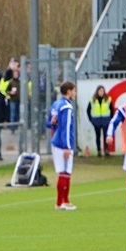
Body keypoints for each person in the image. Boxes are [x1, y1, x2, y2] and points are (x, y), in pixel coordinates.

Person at [48, 81, 77, 211]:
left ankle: (64, 200)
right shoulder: (66, 107)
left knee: (64, 172)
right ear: (69, 91)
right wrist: (67, 146)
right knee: (64, 172)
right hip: (62, 143)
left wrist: (53, 123)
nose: (75, 94)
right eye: (74, 91)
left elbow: (49, 123)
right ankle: (61, 202)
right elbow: (66, 127)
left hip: (56, 140)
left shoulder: (56, 104)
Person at [87, 85, 112, 157]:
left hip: (105, 120)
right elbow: (88, 110)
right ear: (97, 91)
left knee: (106, 136)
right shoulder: (93, 100)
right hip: (96, 120)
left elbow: (111, 109)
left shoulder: (108, 99)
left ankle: (106, 150)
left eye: (102, 91)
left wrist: (110, 119)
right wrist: (91, 119)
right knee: (98, 136)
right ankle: (99, 150)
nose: (101, 92)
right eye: (100, 91)